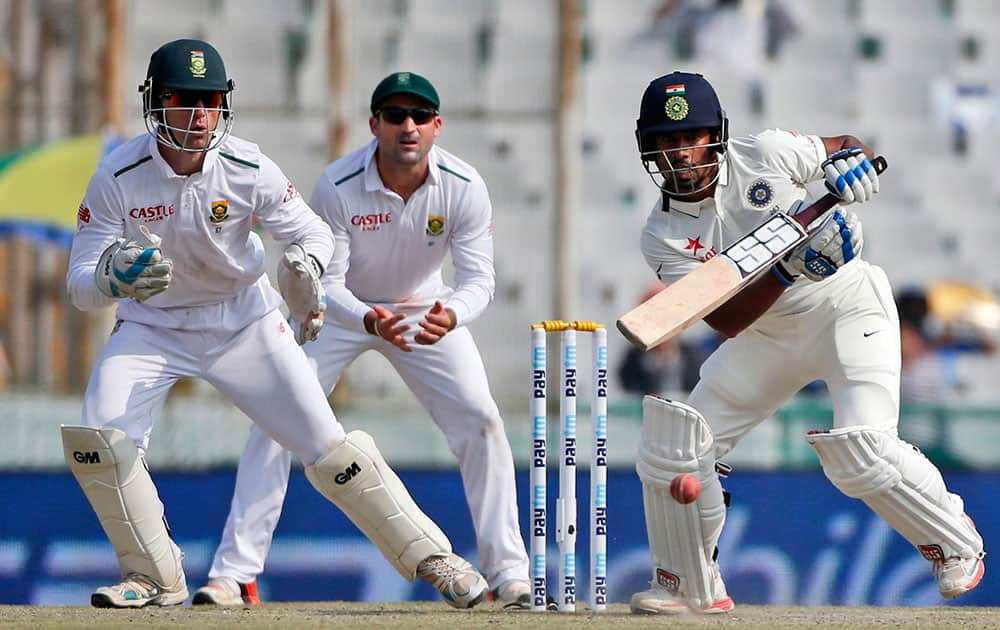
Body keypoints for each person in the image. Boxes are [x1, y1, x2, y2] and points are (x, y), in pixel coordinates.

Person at [61, 40, 488, 610]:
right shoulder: (118, 172)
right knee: (102, 443)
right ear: (153, 104)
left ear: (222, 106)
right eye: (180, 101)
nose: (195, 116)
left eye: (207, 101)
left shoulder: (246, 165)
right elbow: (80, 284)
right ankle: (153, 577)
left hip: (244, 323)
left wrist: (306, 268)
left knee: (327, 448)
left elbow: (310, 232)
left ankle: (436, 559)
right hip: (152, 327)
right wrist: (113, 278)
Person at [627, 71, 985, 615]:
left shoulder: (767, 153)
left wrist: (852, 163)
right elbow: (726, 319)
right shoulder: (663, 234)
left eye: (689, 137)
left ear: (715, 135)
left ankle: (956, 541)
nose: (680, 153)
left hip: (848, 307)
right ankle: (688, 585)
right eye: (665, 142)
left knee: (860, 452)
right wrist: (788, 271)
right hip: (766, 332)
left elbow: (844, 145)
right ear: (649, 148)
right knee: (672, 446)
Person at [193, 71, 531, 608]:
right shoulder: (339, 183)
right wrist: (371, 319)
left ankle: (509, 574)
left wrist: (454, 314)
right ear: (374, 124)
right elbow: (328, 281)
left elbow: (479, 281)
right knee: (275, 424)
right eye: (395, 116)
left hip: (425, 310)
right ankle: (234, 575)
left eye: (420, 116)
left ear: (438, 126)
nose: (408, 126)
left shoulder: (464, 186)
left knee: (480, 419)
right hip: (342, 312)